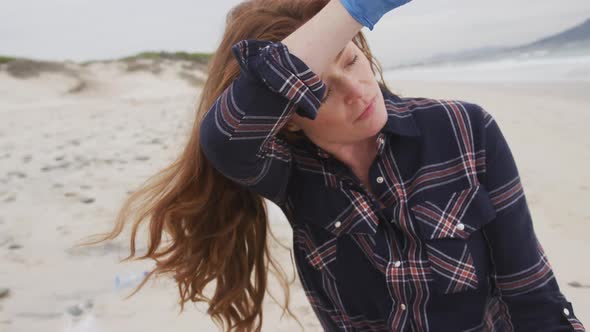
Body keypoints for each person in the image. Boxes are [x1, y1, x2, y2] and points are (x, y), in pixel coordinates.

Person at [82, 0, 586, 331]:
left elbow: (531, 294)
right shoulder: (290, 174)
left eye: (351, 60)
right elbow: (225, 135)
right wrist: (352, 6)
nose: (357, 90)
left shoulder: (464, 129)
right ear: (290, 118)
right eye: (319, 88)